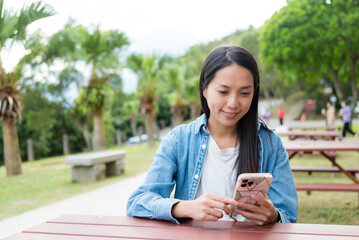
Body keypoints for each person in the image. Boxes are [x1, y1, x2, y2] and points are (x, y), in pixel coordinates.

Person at [126, 46, 298, 225]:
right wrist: (185, 207)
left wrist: (273, 216)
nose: (233, 103)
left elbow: (288, 214)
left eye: (245, 93)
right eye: (223, 92)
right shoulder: (179, 140)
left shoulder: (270, 143)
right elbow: (137, 203)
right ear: (204, 90)